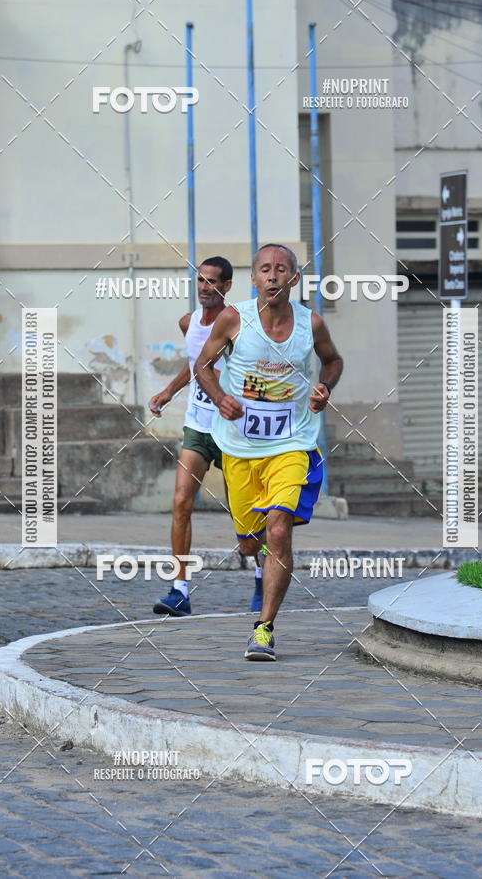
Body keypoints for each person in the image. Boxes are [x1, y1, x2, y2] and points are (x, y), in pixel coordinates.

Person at [194, 243, 343, 660]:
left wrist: (324, 388)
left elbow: (332, 361)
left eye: (281, 269)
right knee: (249, 544)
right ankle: (264, 558)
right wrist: (220, 396)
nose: (273, 276)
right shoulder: (233, 319)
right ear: (254, 279)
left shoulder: (309, 324)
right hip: (240, 447)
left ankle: (264, 628)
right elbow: (202, 367)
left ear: (293, 279)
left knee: (279, 529)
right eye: (265, 269)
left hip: (291, 443)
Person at [148, 256, 266, 616]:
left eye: (212, 282)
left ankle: (263, 576)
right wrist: (168, 392)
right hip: (198, 425)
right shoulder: (188, 322)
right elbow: (195, 361)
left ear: (227, 286)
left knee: (244, 515)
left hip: (232, 429)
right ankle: (179, 590)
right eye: (200, 280)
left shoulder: (240, 323)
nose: (204, 287)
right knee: (182, 501)